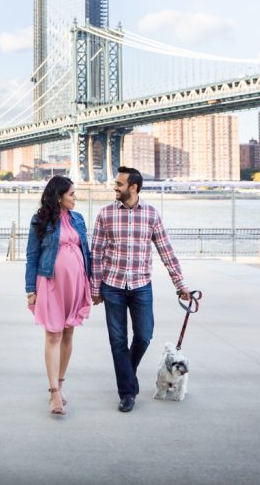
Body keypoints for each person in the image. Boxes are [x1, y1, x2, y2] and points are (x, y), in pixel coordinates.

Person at [90, 166, 192, 413]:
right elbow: (96, 255)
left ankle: (127, 373)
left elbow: (166, 252)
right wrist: (95, 288)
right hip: (112, 285)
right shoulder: (105, 214)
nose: (114, 187)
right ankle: (127, 393)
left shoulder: (151, 215)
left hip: (141, 286)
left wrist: (181, 285)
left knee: (145, 335)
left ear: (133, 187)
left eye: (119, 184)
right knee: (118, 341)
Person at [25, 175, 93, 415]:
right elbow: (32, 255)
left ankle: (61, 384)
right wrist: (30, 289)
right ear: (58, 196)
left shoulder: (78, 219)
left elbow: (87, 252)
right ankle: (53, 392)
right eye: (72, 194)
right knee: (53, 335)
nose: (75, 198)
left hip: (76, 284)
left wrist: (91, 284)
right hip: (51, 284)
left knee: (68, 332)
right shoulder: (40, 220)